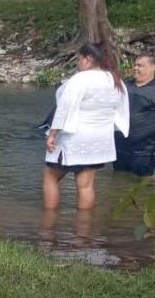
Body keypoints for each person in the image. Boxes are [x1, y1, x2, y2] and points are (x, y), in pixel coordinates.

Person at [43, 43, 129, 210]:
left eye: (79, 59)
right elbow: (121, 111)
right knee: (86, 185)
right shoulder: (115, 79)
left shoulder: (80, 79)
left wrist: (52, 135)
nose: (78, 63)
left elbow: (64, 109)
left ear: (89, 59)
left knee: (50, 177)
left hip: (75, 137)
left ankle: (48, 224)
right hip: (100, 139)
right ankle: (83, 230)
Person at [114, 54, 155, 176]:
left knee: (142, 188)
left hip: (145, 152)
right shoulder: (124, 86)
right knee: (118, 183)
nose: (135, 68)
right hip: (120, 149)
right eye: (135, 65)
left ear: (153, 67)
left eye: (140, 65)